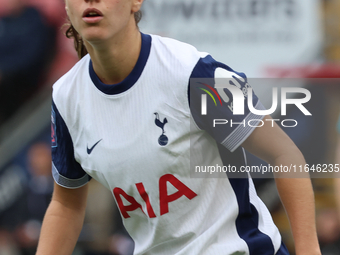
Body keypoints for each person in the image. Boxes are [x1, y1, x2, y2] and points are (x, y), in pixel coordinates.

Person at [36, 0, 321, 254]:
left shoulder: (195, 72)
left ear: (136, 3)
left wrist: (308, 250)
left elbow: (285, 155)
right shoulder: (65, 97)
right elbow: (66, 206)